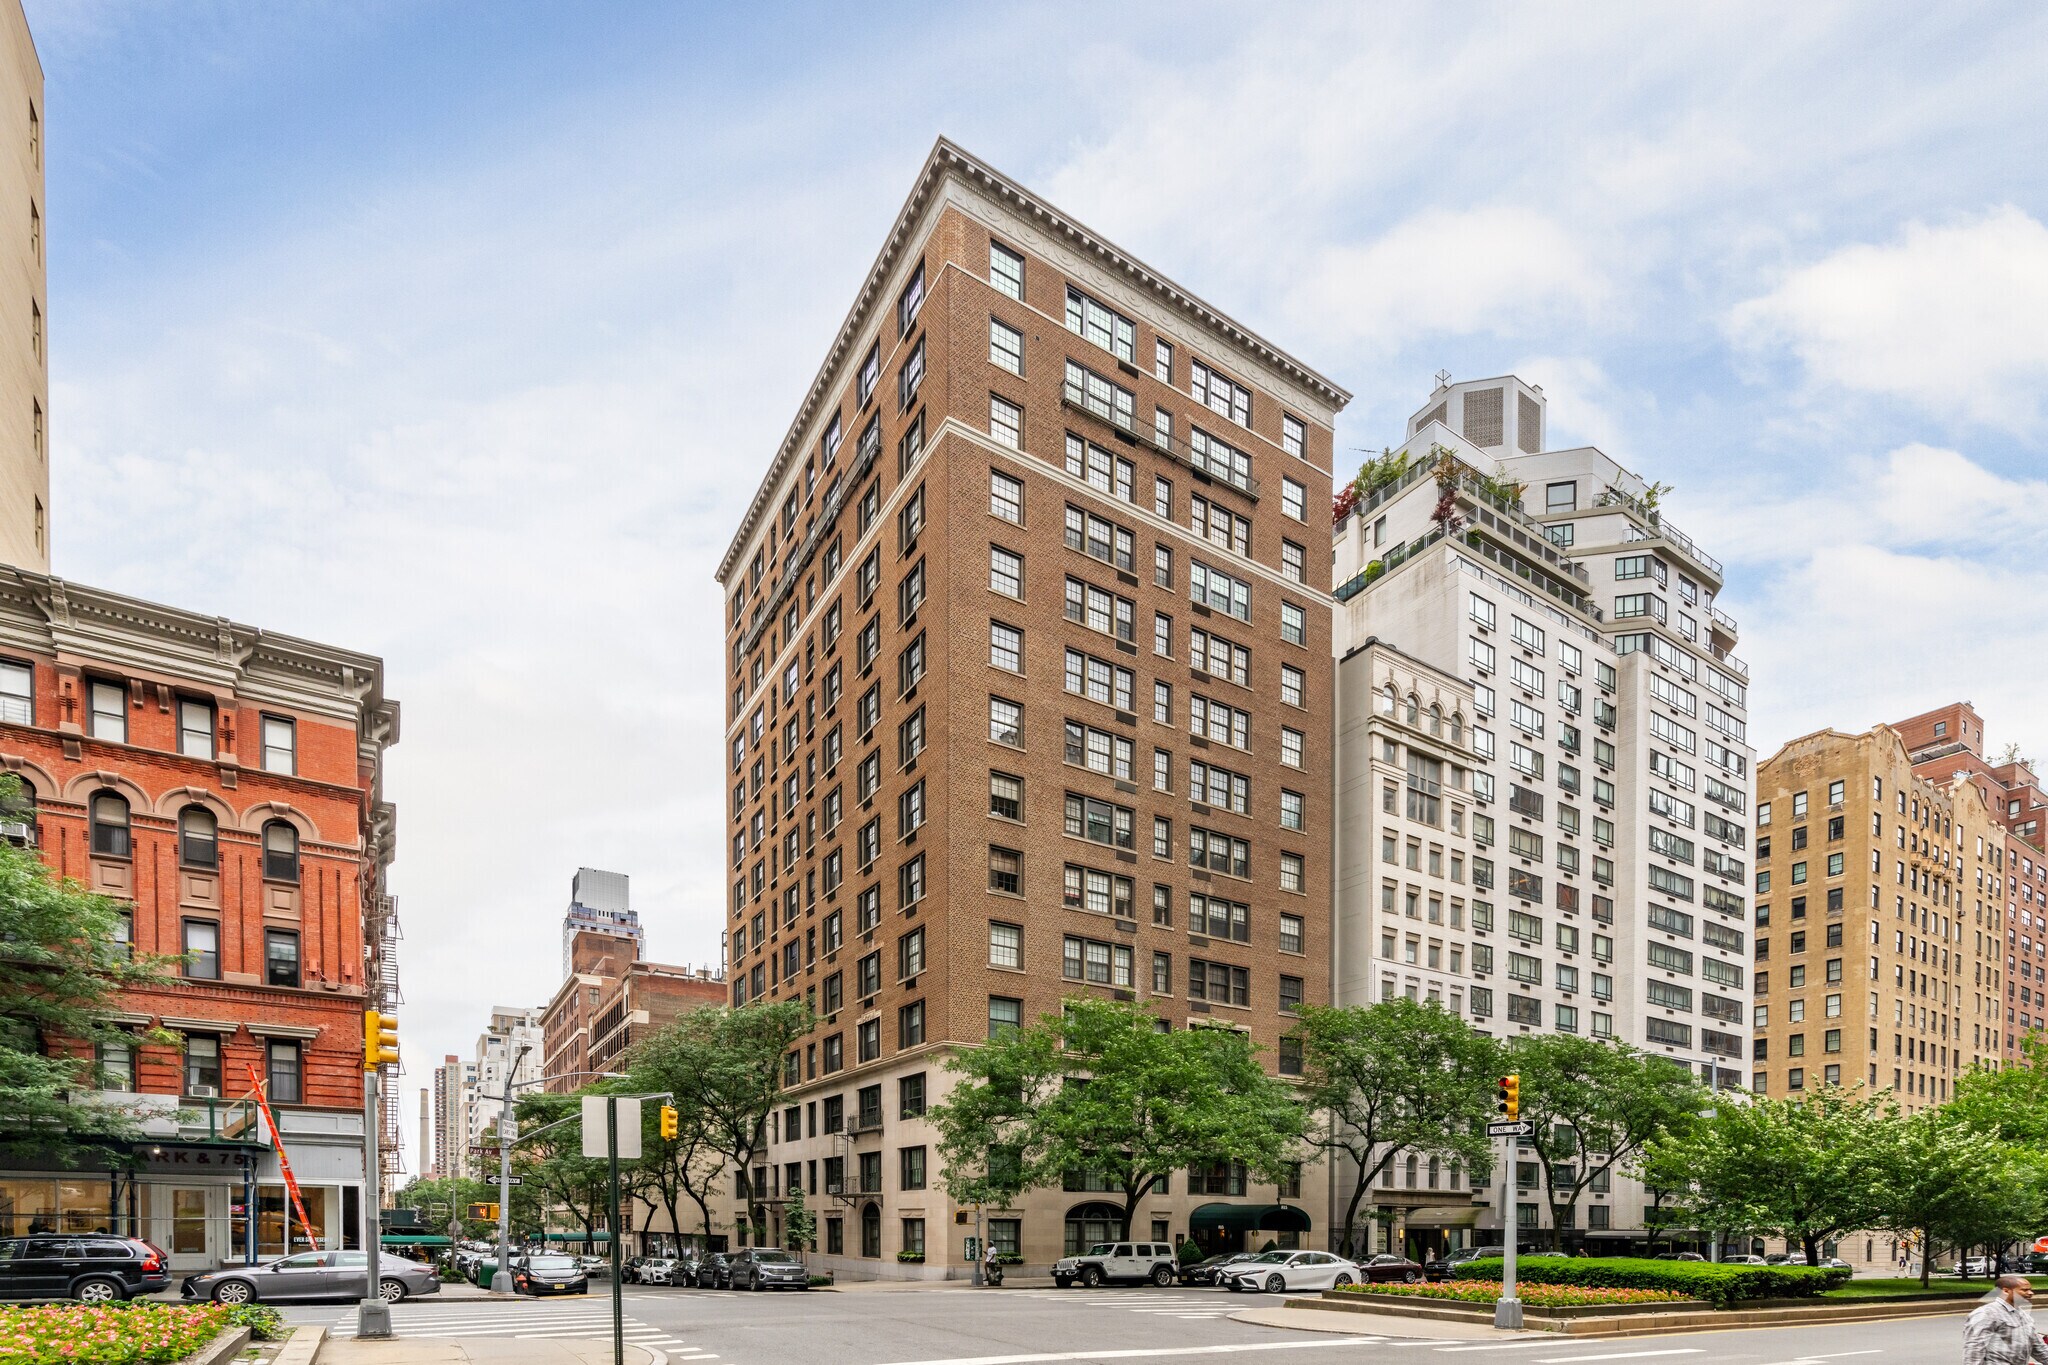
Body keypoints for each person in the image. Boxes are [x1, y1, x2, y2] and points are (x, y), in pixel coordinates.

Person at [1963, 1275, 2048, 1365]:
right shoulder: (1986, 1313)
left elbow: (2038, 1347)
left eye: (2030, 1290)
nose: (2031, 1293)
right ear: (2006, 1291)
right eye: (2024, 1290)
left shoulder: (2023, 1315)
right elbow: (1974, 1349)